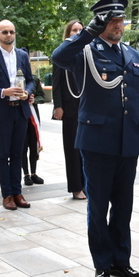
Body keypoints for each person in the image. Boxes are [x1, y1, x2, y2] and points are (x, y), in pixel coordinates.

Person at [51, 0, 139, 277]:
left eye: (121, 20)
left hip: (128, 142)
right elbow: (59, 57)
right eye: (112, 21)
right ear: (101, 23)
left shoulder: (134, 55)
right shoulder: (85, 52)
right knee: (98, 208)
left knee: (123, 206)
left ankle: (121, 261)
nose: (118, 25)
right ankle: (102, 264)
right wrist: (87, 33)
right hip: (97, 142)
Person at [0, 19, 35, 211]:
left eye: (11, 31)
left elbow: (30, 80)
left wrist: (27, 91)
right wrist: (4, 92)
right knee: (4, 154)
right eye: (5, 32)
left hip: (21, 110)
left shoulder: (22, 55)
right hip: (2, 111)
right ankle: (7, 195)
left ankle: (18, 192)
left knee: (18, 153)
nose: (9, 35)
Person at [52, 19, 86, 200]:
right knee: (72, 150)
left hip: (87, 107)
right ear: (68, 33)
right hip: (70, 108)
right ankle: (76, 187)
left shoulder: (88, 53)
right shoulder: (62, 54)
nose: (78, 32)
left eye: (81, 29)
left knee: (87, 149)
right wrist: (58, 106)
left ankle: (87, 184)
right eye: (74, 30)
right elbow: (56, 83)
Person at [22, 56, 46, 186]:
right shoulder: (17, 79)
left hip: (34, 116)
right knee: (23, 146)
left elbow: (42, 96)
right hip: (22, 115)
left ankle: (33, 173)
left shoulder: (34, 79)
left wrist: (34, 100)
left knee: (33, 145)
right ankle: (26, 174)